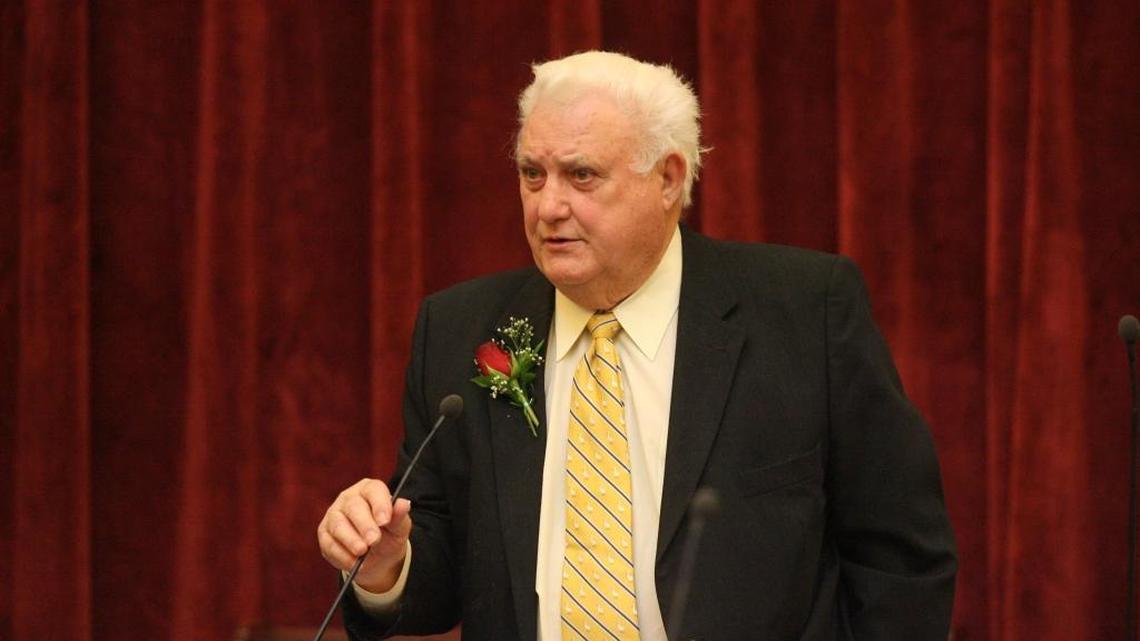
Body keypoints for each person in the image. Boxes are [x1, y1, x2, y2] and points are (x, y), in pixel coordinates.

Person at [316, 51, 957, 641]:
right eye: (532, 174)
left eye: (582, 175)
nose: (548, 207)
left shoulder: (803, 312)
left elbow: (901, 557)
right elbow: (442, 576)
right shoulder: (459, 331)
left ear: (669, 179)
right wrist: (385, 566)